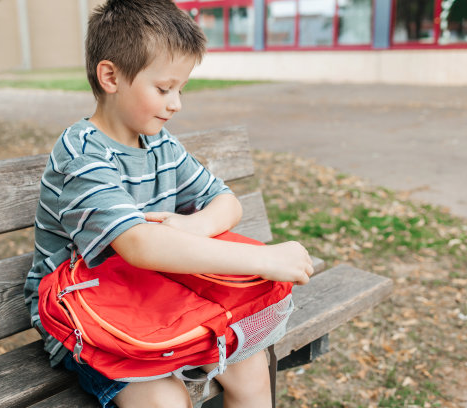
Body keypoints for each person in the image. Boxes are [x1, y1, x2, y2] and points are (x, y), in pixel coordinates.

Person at [24, 1, 314, 407]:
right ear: (110, 76)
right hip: (86, 313)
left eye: (180, 89)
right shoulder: (81, 155)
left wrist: (194, 226)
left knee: (251, 367)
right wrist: (263, 260)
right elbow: (141, 245)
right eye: (164, 89)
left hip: (156, 297)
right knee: (165, 399)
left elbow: (226, 202)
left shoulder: (162, 146)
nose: (176, 103)